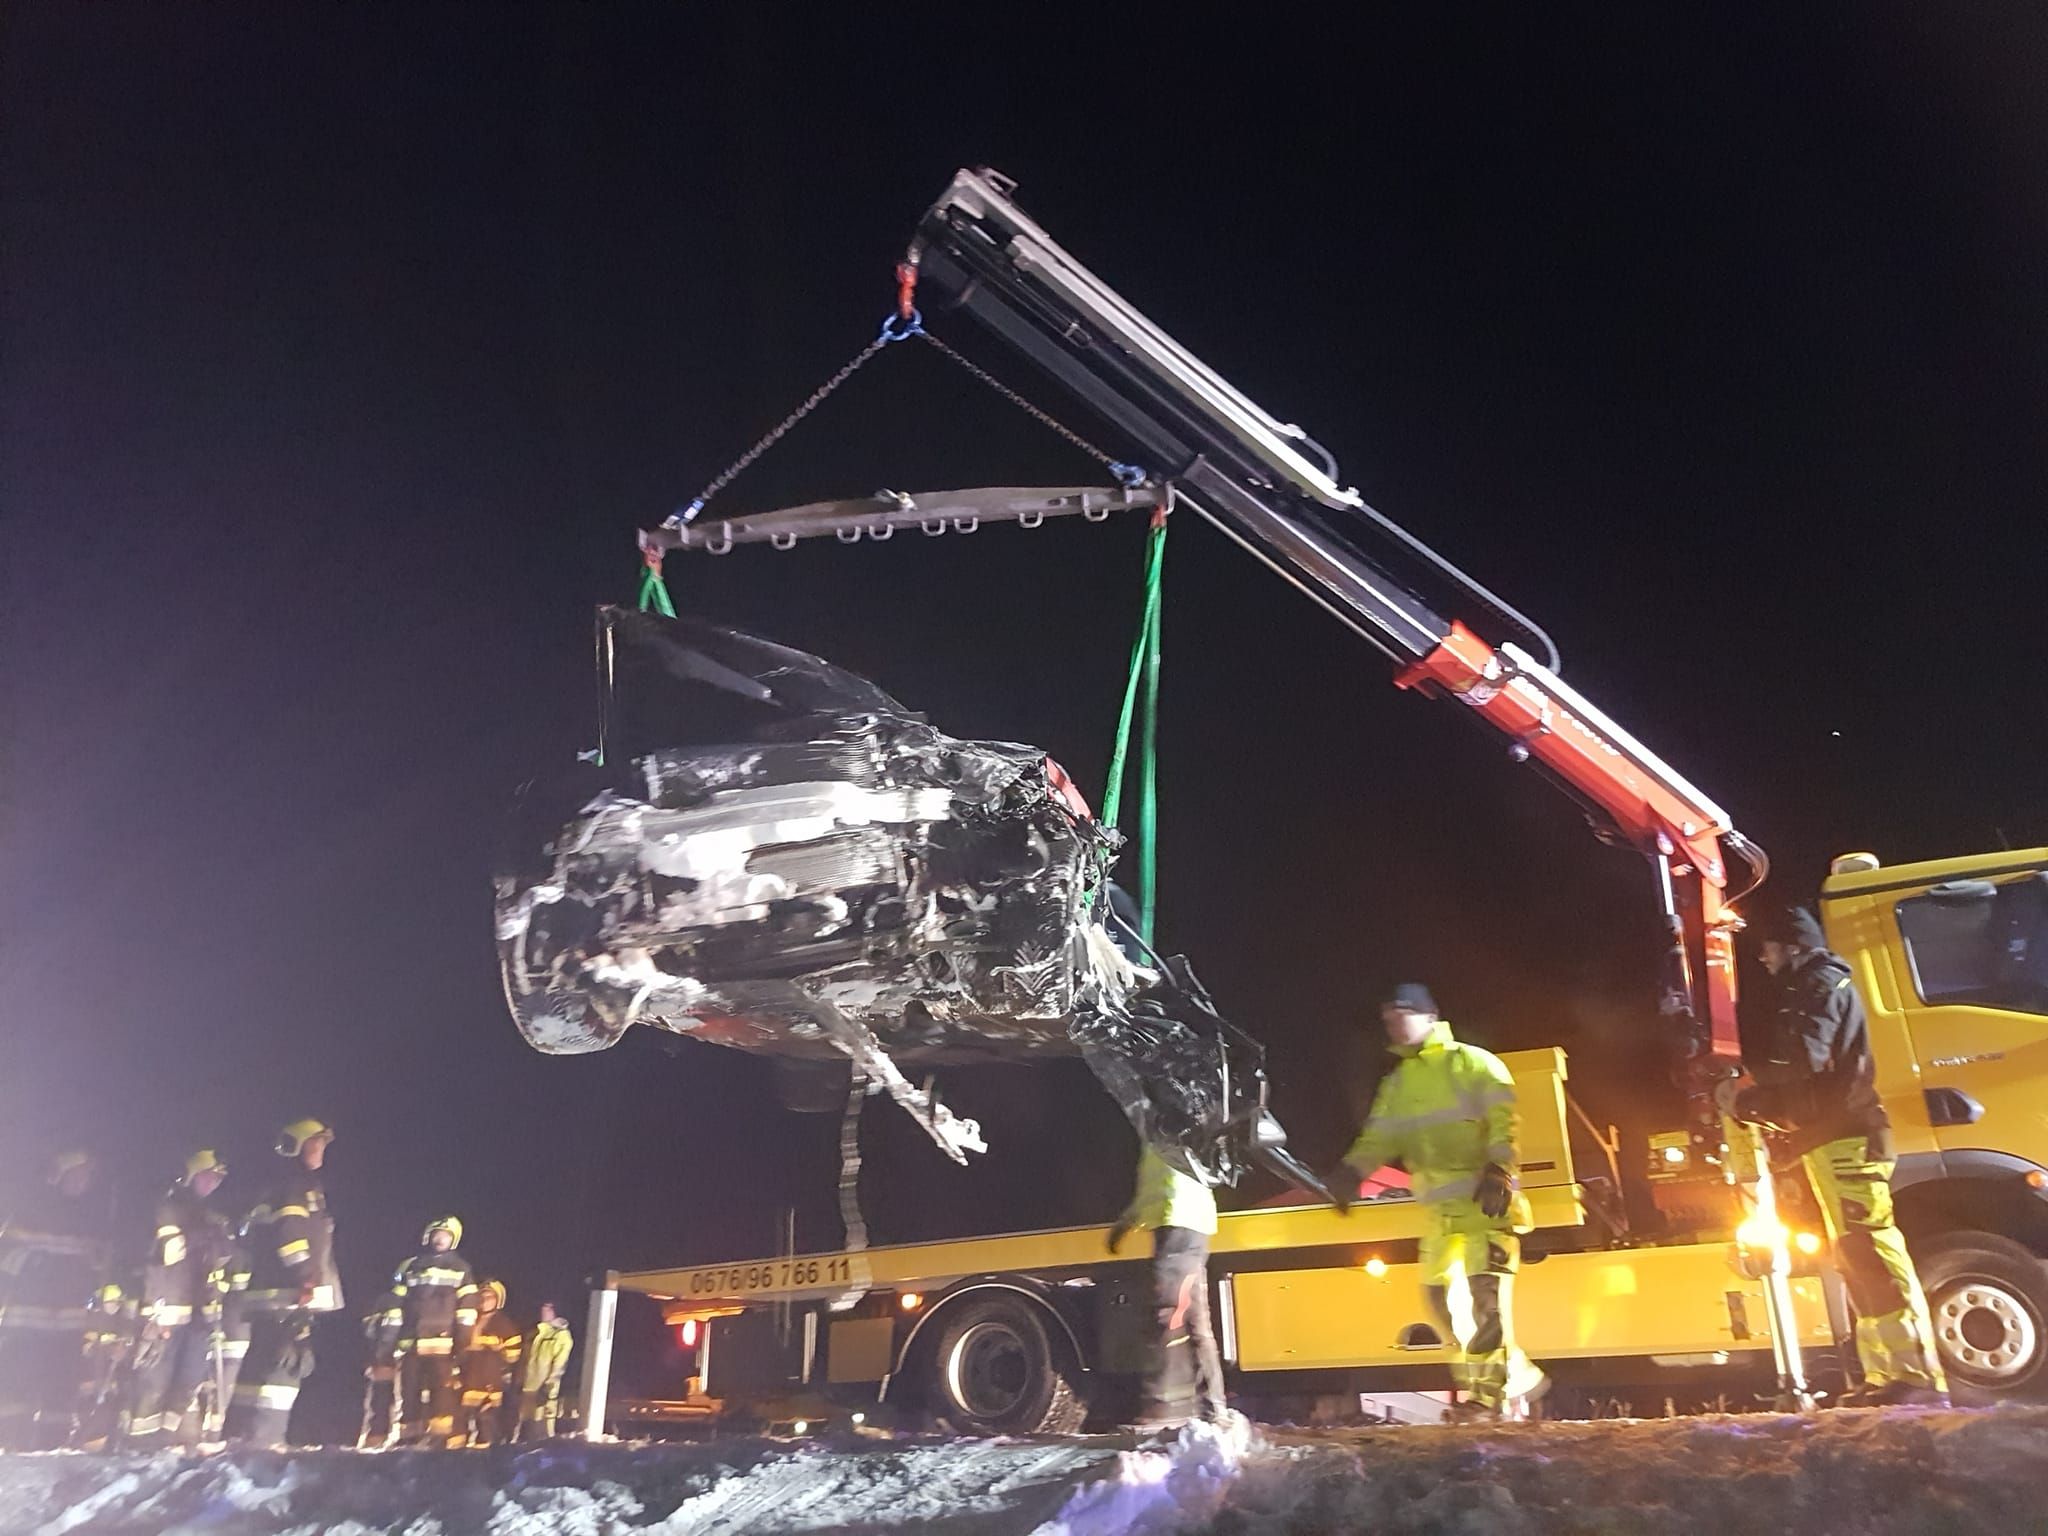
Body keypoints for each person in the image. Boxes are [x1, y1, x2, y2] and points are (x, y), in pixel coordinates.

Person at [1730, 905, 1949, 1407]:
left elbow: (1805, 1057)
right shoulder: (1810, 986)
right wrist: (1761, 1101)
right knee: (1856, 1257)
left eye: (1767, 946)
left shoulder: (1821, 982)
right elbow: (1813, 1074)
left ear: (1791, 945)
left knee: (1872, 1252)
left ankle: (1917, 1379)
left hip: (1848, 1139)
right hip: (1833, 1139)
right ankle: (1886, 1378)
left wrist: (1752, 1084)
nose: (1762, 957)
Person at [1332, 984, 1546, 1421]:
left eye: (1401, 1013)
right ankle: (1513, 1378)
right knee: (1440, 1303)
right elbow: (1380, 1136)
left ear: (1430, 1016)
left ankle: (1489, 1399)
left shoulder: (1472, 1063)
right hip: (1441, 1218)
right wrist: (1352, 1172)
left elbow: (1505, 1123)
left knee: (1486, 1303)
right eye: (1387, 1017)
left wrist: (1499, 1170)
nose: (1392, 1023)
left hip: (1486, 1210)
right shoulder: (1399, 1083)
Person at [224, 1118, 341, 1446]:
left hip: (271, 1295)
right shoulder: (297, 1186)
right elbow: (291, 1237)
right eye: (316, 1144)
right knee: (284, 1366)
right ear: (298, 1147)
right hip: (289, 1294)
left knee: (260, 1362)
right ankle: (266, 1437)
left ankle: (242, 1433)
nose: (321, 1151)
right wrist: (306, 1277)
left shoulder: (278, 1185)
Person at [1107, 1140, 1228, 1427]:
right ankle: (1215, 1408)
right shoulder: (1156, 1133)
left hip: (1178, 1223)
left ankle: (1162, 1407)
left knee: (1166, 1315)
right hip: (1183, 1224)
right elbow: (1153, 1189)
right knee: (1194, 1321)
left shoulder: (1170, 1122)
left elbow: (1170, 1182)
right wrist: (1127, 1221)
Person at [0, 1150, 112, 1448]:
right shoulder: (31, 1210)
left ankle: (53, 1444)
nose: (82, 1182)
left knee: (62, 1386)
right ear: (59, 1177)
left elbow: (96, 1262)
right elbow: (7, 1254)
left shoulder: (87, 1217)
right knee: (19, 1383)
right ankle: (13, 1443)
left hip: (69, 1321)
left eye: (86, 1177)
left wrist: (101, 1261)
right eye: (77, 1175)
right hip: (28, 1318)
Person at [124, 1149, 234, 1447]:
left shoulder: (211, 1217)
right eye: (209, 1177)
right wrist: (203, 1235)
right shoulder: (167, 1208)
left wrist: (213, 1236)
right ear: (192, 1176)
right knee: (154, 1386)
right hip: (166, 1312)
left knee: (188, 1383)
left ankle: (165, 1442)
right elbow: (171, 1252)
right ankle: (139, 1447)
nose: (214, 1183)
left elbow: (225, 1256)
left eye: (218, 1178)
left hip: (199, 1315)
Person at [381, 1215, 477, 1446]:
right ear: (429, 1236)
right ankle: (406, 1439)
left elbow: (467, 1310)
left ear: (453, 1240)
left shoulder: (461, 1269)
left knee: (442, 1395)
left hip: (442, 1345)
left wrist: (463, 1343)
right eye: (437, 1234)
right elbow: (394, 1306)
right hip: (410, 1342)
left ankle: (439, 1440)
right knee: (407, 1393)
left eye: (446, 1235)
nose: (441, 1238)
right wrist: (386, 1343)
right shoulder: (411, 1266)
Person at [457, 1279, 522, 1446]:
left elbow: (513, 1356)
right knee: (462, 1421)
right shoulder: (470, 1320)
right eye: (482, 1296)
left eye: (490, 1297)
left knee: (486, 1422)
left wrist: (495, 1350)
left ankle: (486, 1457)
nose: (484, 1300)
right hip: (467, 1380)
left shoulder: (504, 1324)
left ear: (498, 1300)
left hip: (489, 1383)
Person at [515, 1300, 573, 1440]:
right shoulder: (534, 1333)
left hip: (544, 1390)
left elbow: (560, 1364)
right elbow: (524, 1360)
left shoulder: (561, 1335)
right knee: (524, 1424)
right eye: (543, 1308)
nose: (544, 1311)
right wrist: (518, 1381)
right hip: (527, 1388)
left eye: (548, 1309)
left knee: (542, 1427)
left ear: (556, 1312)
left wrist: (549, 1386)